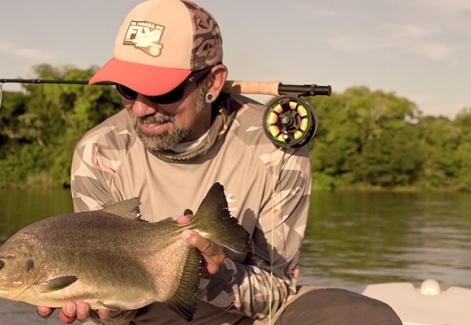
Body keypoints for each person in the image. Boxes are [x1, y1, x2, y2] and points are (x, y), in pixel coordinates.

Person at [37, 0, 403, 324]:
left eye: (163, 91)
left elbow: (276, 290)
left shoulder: (276, 148)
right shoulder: (98, 152)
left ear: (213, 81)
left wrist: (213, 273)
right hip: (138, 320)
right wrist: (104, 305)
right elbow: (108, 307)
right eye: (127, 89)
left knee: (366, 316)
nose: (141, 108)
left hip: (240, 317)